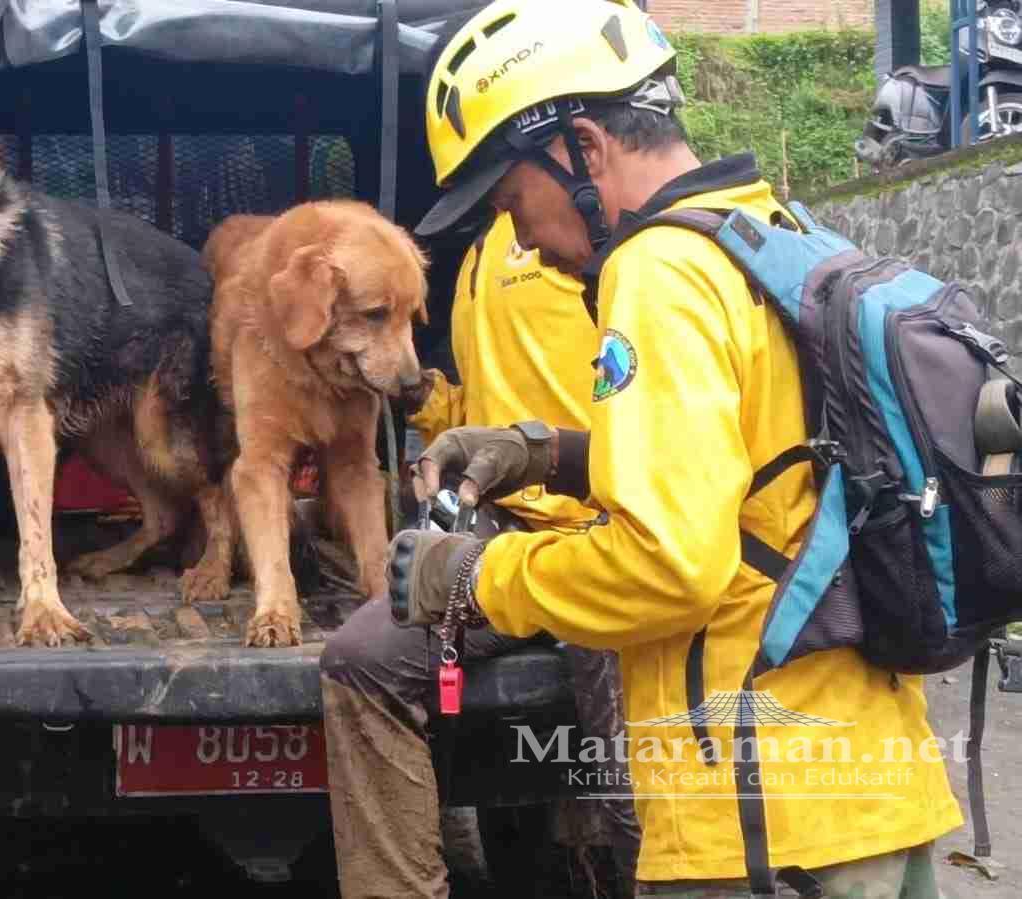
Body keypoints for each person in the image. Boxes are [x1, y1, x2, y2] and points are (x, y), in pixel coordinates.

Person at [388, 1, 963, 896]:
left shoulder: (656, 271)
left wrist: (471, 573)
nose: (526, 243)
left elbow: (667, 566)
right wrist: (549, 454)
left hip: (757, 820)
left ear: (581, 146)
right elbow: (762, 469)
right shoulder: (769, 228)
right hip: (870, 787)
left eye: (511, 203)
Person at [319, 202, 641, 898]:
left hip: (609, 524)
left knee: (630, 793)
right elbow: (493, 397)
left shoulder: (603, 232)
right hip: (498, 525)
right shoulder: (486, 247)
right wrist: (432, 406)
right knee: (362, 661)